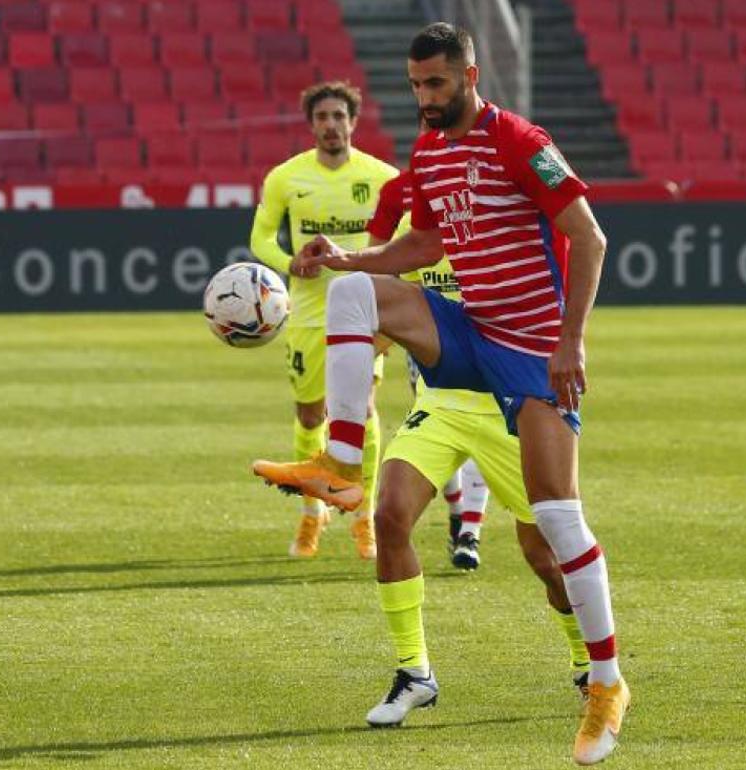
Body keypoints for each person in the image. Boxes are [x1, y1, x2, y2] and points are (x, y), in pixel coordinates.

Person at [254, 23, 629, 765]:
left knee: (556, 522)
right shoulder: (429, 151)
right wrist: (348, 257)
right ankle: (340, 463)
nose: (425, 97)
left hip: (530, 348)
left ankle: (608, 682)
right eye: (415, 84)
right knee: (355, 293)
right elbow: (424, 244)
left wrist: (571, 341)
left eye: (436, 83)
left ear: (469, 75)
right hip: (469, 333)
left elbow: (589, 238)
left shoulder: (520, 140)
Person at [362, 167, 593, 729]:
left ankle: (588, 663)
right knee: (390, 515)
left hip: (511, 406)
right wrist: (356, 361)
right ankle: (414, 672)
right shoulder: (422, 239)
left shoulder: (508, 233)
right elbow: (397, 315)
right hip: (441, 404)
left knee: (545, 557)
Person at [249, 81, 399, 560]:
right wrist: (289, 263)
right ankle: (313, 511)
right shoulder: (286, 178)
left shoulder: (382, 178)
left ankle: (364, 517)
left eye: (339, 116)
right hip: (309, 316)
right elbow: (260, 239)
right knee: (311, 415)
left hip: (364, 313)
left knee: (364, 410)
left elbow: (402, 241)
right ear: (311, 124)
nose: (331, 125)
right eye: (322, 117)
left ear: (353, 121)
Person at [367, 165, 492, 571]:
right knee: (443, 428)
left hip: (488, 351)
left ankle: (470, 531)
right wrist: (372, 348)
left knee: (481, 429)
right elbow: (409, 296)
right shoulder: (415, 230)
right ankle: (457, 511)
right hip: (430, 353)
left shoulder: (489, 223)